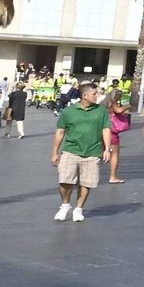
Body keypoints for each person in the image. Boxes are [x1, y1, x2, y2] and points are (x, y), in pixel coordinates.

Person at [50, 82, 107, 222]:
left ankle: (78, 209)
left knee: (86, 183)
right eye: (94, 94)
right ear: (84, 96)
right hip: (70, 150)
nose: (97, 96)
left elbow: (106, 129)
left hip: (92, 152)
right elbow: (60, 131)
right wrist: (54, 152)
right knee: (64, 181)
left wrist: (108, 149)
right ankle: (65, 205)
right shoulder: (69, 111)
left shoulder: (101, 111)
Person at [105, 95, 132, 183]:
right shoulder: (113, 104)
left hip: (101, 130)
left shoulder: (103, 104)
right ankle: (112, 177)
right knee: (114, 155)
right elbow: (119, 110)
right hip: (111, 132)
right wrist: (127, 106)